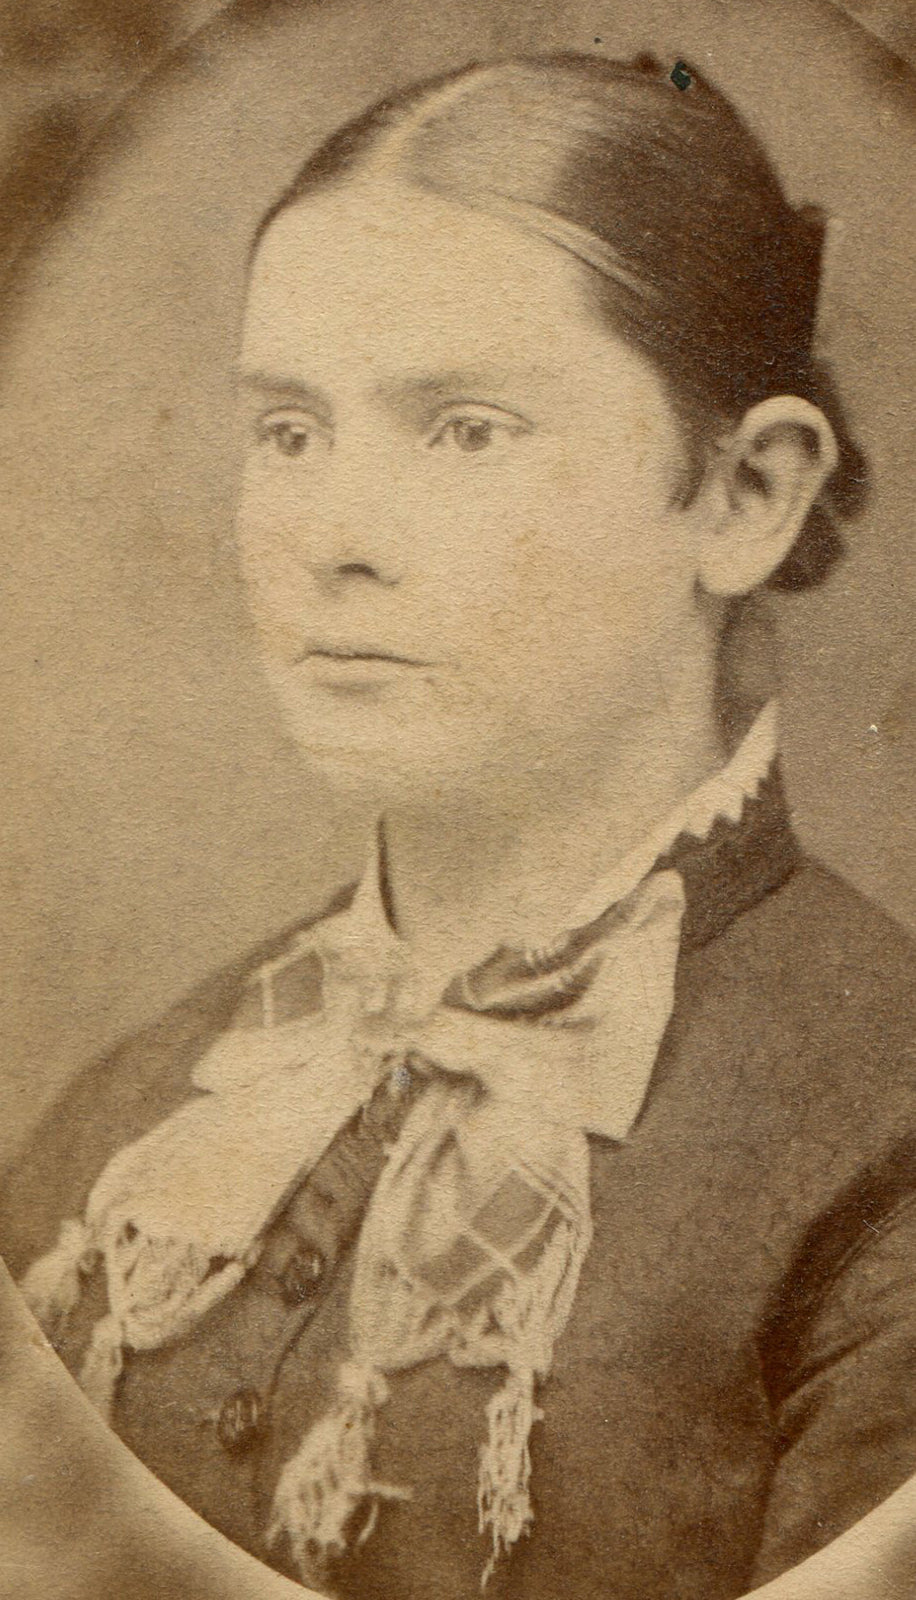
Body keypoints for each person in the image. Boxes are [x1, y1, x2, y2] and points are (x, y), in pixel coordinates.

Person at [3, 50, 915, 1600]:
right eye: (289, 432)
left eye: (464, 430)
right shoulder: (144, 1116)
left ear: (745, 495)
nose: (334, 541)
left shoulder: (881, 1147)